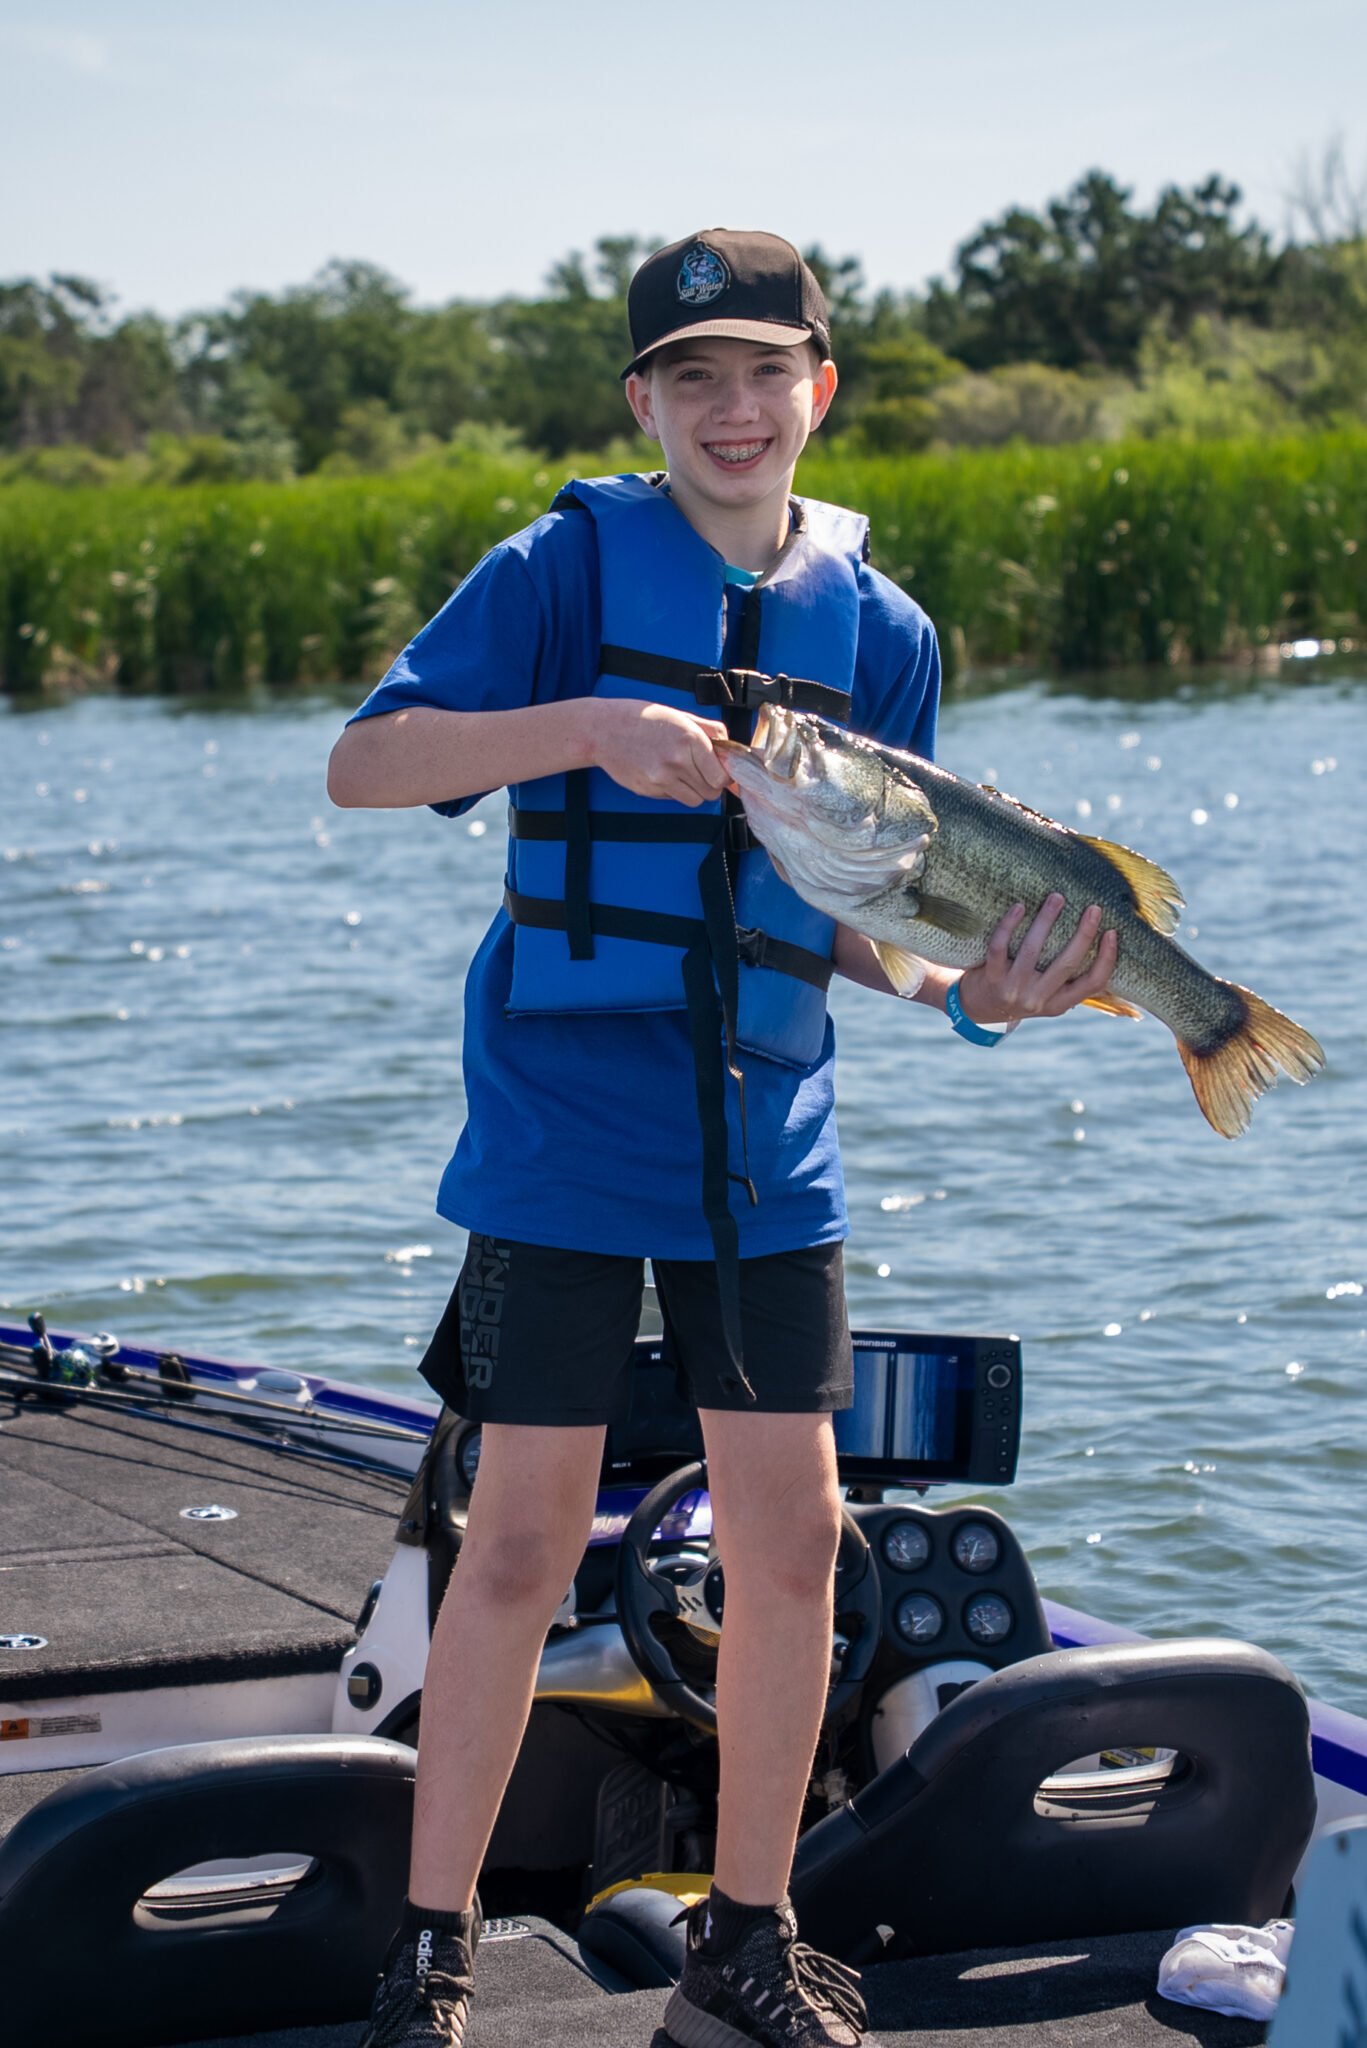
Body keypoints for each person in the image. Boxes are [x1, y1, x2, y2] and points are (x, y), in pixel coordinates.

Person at [328, 228, 1117, 2048]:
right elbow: (368, 761)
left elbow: (880, 921)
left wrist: (977, 997)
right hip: (564, 1125)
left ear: (819, 390)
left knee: (796, 1544)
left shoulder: (887, 636)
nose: (734, 408)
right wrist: (590, 724)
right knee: (518, 1547)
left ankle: (748, 1940)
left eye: (767, 372)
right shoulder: (556, 568)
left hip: (773, 1141)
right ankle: (428, 1953)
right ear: (644, 405)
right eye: (694, 377)